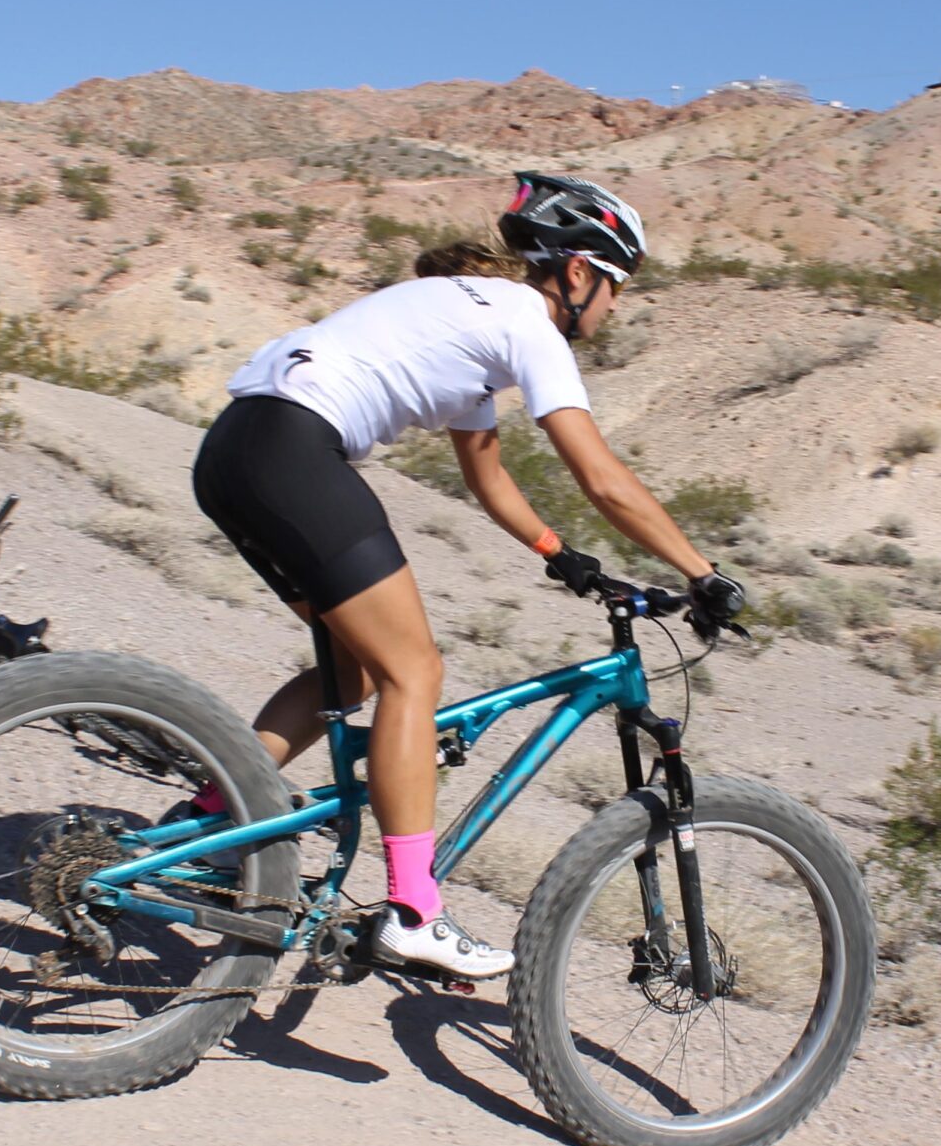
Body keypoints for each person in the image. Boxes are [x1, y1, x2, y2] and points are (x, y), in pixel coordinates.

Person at [187, 172, 746, 979]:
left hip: (237, 451)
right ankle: (414, 911)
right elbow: (601, 477)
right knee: (415, 670)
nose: (615, 307)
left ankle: (209, 819)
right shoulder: (527, 324)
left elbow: (487, 480)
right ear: (579, 272)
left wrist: (564, 557)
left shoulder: (470, 314)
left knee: (354, 670)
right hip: (294, 453)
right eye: (616, 286)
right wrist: (704, 573)